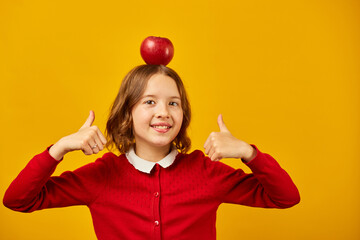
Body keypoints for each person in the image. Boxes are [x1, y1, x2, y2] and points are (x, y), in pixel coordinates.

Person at [3, 64, 300, 240]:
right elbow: (18, 200)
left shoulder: (206, 172)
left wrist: (249, 153)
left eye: (173, 103)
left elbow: (285, 197)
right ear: (126, 113)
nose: (164, 112)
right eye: (149, 102)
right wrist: (59, 149)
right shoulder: (101, 175)